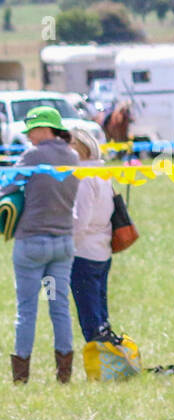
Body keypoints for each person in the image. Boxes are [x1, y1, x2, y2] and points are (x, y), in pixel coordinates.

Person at [2, 107, 81, 384]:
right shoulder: (73, 156)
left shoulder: (34, 155)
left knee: (26, 310)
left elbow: (7, 185)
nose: (29, 137)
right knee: (58, 306)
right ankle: (64, 375)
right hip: (62, 245)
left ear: (45, 129)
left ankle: (21, 378)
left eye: (31, 131)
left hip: (31, 245)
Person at [69, 129, 114, 344]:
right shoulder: (103, 175)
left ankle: (101, 359)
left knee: (90, 317)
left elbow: (80, 221)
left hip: (84, 254)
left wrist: (67, 249)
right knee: (100, 315)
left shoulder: (83, 178)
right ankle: (108, 356)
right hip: (102, 251)